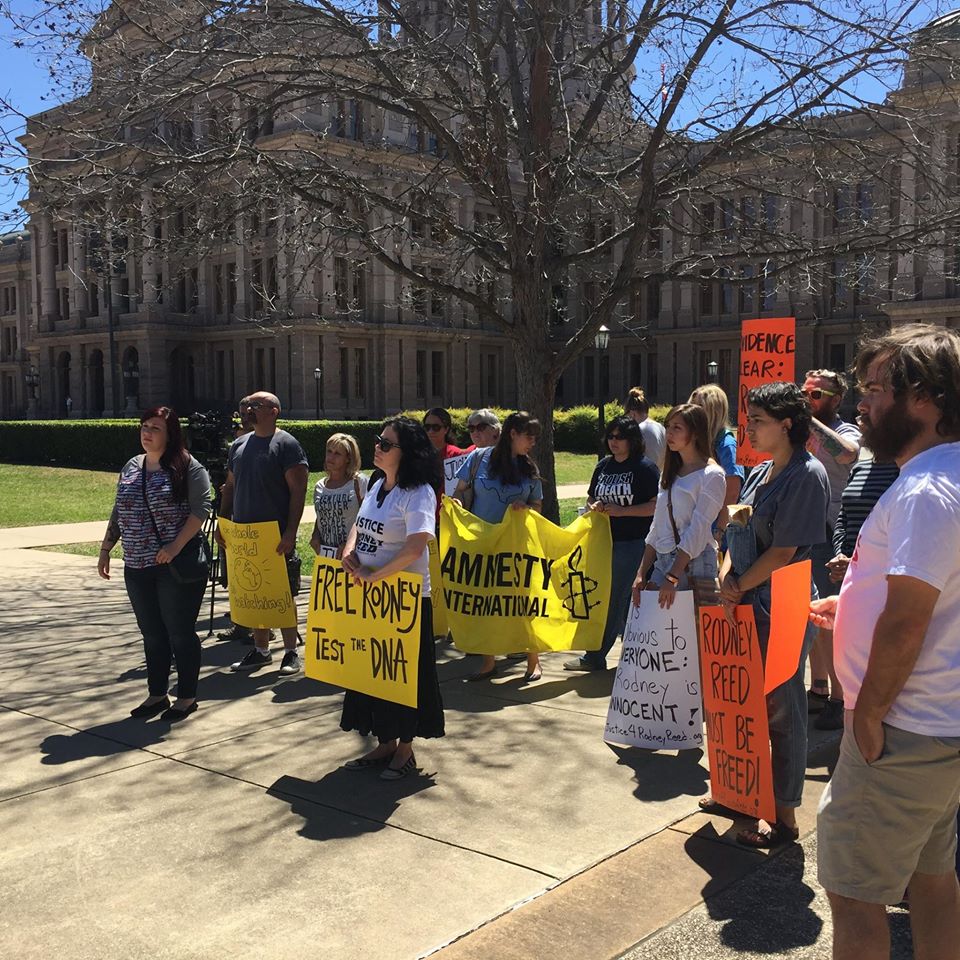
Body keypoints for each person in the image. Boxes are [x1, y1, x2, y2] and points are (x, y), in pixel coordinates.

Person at [811, 324, 960, 960]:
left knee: (855, 896)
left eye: (875, 389)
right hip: (936, 727)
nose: (861, 403)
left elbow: (906, 621)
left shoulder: (927, 489)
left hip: (901, 730)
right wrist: (851, 607)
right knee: (931, 880)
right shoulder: (944, 475)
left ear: (923, 398)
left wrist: (868, 714)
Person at [714, 382, 829, 847]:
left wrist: (738, 585)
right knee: (742, 705)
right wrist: (727, 575)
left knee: (782, 711)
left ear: (786, 424)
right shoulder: (760, 473)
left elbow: (783, 553)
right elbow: (734, 530)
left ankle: (784, 818)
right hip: (743, 601)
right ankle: (740, 795)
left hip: (782, 605)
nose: (749, 429)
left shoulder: (807, 475)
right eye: (748, 420)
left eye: (758, 421)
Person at [340, 417, 445, 779]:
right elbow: (359, 525)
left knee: (404, 674)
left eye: (386, 444)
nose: (378, 447)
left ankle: (405, 749)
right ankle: (384, 742)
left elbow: (416, 546)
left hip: (406, 601)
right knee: (374, 672)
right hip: (370, 598)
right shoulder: (376, 484)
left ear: (407, 452)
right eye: (378, 440)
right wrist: (350, 552)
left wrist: (376, 574)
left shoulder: (419, 492)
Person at [97, 406, 212, 721]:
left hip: (173, 565)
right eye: (144, 426)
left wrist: (174, 546)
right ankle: (157, 694)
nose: (147, 433)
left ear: (170, 434)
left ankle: (186, 697)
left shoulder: (188, 466)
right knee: (152, 633)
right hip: (136, 564)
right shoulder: (132, 466)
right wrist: (106, 548)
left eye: (155, 428)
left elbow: (200, 509)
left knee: (180, 632)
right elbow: (120, 508)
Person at [216, 391, 309, 676]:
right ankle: (261, 650)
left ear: (273, 411)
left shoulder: (287, 444)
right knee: (254, 592)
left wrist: (290, 532)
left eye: (255, 405)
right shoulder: (239, 444)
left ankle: (291, 652)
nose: (248, 410)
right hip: (244, 536)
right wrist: (222, 521)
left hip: (275, 536)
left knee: (282, 595)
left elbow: (298, 492)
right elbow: (230, 485)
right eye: (246, 405)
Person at [452, 411, 544, 682]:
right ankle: (488, 662)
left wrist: (526, 508)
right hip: (483, 544)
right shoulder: (478, 459)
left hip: (517, 547)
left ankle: (534, 661)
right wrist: (456, 503)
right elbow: (460, 490)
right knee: (485, 604)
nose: (533, 442)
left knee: (524, 603)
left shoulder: (529, 468)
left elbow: (537, 506)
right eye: (529, 436)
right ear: (513, 434)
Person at [564, 415, 659, 671]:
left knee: (617, 598)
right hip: (602, 542)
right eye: (610, 436)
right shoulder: (603, 466)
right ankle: (612, 655)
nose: (614, 442)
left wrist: (623, 511)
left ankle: (602, 657)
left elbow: (656, 506)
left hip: (633, 542)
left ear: (633, 440)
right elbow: (590, 498)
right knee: (602, 596)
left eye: (620, 437)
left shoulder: (645, 468)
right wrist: (594, 506)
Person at [802, 368, 862, 730]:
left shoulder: (844, 430)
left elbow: (849, 454)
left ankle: (841, 700)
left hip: (831, 534)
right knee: (808, 613)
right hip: (804, 531)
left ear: (836, 400)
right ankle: (819, 687)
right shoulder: (800, 430)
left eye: (816, 395)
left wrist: (807, 419)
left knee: (831, 619)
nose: (807, 400)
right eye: (804, 394)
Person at [631, 404, 726, 607]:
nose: (669, 433)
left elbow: (698, 529)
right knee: (654, 623)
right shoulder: (670, 472)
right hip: (663, 560)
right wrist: (641, 572)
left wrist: (673, 576)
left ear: (696, 433)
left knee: (693, 625)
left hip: (695, 563)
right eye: (668, 426)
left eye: (677, 427)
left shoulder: (712, 475)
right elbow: (657, 526)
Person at [688, 383, 744, 532]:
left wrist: (719, 530)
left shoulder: (726, 444)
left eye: (699, 406)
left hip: (717, 531)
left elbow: (732, 493)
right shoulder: (700, 442)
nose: (692, 411)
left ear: (714, 411)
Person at [310, 433, 368, 559]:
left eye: (337, 454)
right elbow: (322, 515)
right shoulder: (319, 486)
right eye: (329, 451)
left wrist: (350, 544)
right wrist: (315, 536)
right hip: (327, 557)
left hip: (354, 555)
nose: (331, 457)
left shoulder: (359, 482)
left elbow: (367, 518)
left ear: (348, 458)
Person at [624, 386, 666, 470]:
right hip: (659, 475)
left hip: (642, 475)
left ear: (633, 414)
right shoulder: (661, 428)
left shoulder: (637, 431)